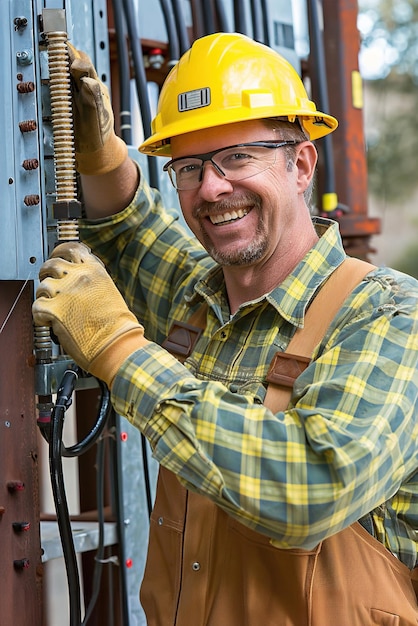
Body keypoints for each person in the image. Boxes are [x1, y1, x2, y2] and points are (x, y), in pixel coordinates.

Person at [33, 32, 418, 625]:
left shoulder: (389, 316)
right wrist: (98, 152)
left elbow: (313, 488)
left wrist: (117, 350)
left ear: (302, 164)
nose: (212, 188)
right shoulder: (202, 303)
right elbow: (132, 232)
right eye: (189, 167)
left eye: (238, 156)